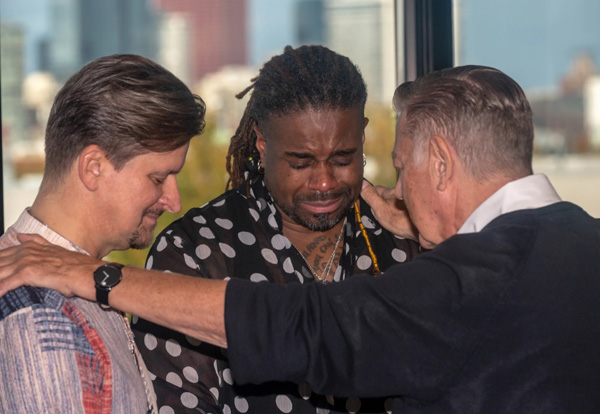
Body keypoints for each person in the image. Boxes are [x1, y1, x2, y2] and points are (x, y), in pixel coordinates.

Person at [2, 64, 600, 413]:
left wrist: (97, 277)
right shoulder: (580, 246)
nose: (399, 191)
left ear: (441, 163)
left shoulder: (464, 277)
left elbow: (308, 326)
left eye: (398, 165)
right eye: (159, 177)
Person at [132, 45, 420, 414]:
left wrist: (431, 238)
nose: (324, 183)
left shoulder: (401, 239)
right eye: (300, 163)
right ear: (262, 143)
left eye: (343, 158)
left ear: (362, 135)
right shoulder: (195, 252)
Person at [0, 54, 206, 413]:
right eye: (158, 179)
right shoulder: (43, 319)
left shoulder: (76, 288)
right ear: (93, 167)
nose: (174, 202)